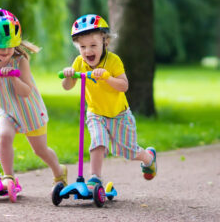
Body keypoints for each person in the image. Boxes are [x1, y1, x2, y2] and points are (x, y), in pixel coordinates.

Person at [61, 14, 157, 190]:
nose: (88, 51)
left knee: (128, 151)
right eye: (82, 47)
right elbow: (67, 86)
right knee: (98, 141)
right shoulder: (79, 62)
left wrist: (107, 78)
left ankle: (148, 158)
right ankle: (95, 178)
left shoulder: (113, 61)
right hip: (96, 113)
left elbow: (124, 85)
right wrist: (69, 75)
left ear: (105, 42)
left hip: (119, 114)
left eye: (93, 45)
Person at [0, 8, 67, 189]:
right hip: (6, 110)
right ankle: (9, 177)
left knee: (40, 150)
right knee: (3, 136)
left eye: (9, 45)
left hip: (29, 110)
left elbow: (26, 92)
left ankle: (59, 170)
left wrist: (13, 78)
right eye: (0, 46)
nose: (5, 50)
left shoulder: (20, 61)